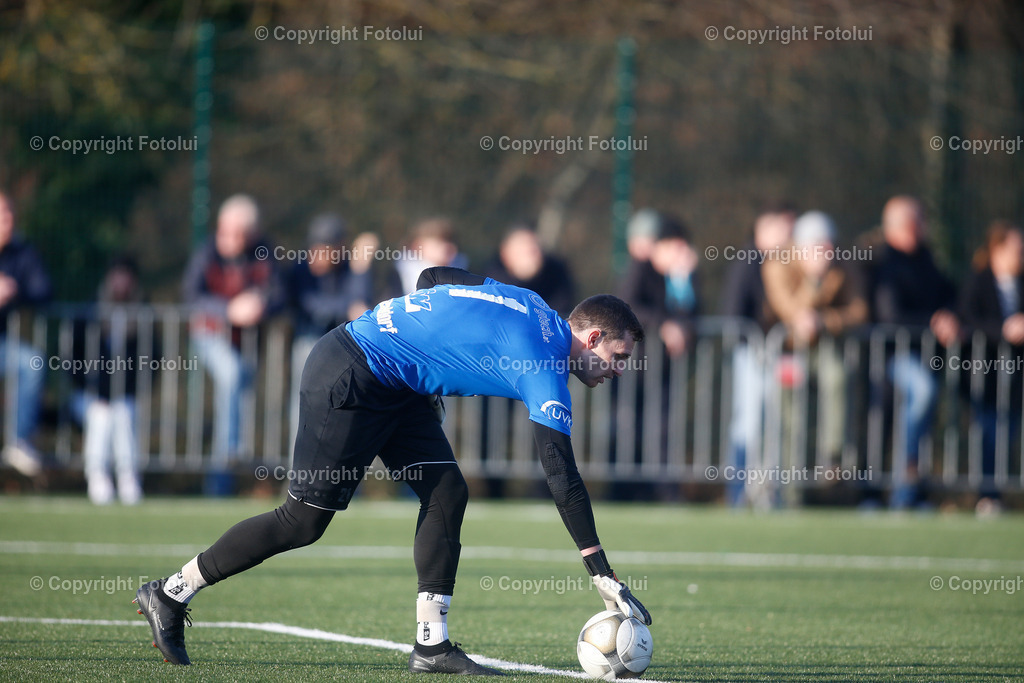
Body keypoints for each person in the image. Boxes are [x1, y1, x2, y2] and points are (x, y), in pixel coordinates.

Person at [134, 266, 652, 672]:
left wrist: (422, 355)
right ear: (591, 338)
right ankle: (169, 592)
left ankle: (432, 646)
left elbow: (433, 279)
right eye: (618, 355)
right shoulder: (544, 366)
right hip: (351, 372)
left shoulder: (534, 305)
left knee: (448, 491)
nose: (618, 369)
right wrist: (600, 571)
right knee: (302, 522)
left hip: (397, 385)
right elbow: (561, 474)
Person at [762, 211, 867, 500]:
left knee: (838, 376)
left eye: (829, 246)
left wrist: (824, 321)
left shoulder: (843, 264)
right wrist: (813, 280)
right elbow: (788, 309)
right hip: (787, 350)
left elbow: (858, 311)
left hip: (824, 345)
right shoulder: (777, 263)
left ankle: (833, 456)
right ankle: (791, 492)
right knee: (792, 419)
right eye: (819, 248)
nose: (827, 253)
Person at [182, 194, 283, 474]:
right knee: (231, 373)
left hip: (249, 341)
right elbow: (191, 295)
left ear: (252, 233)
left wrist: (260, 302)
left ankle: (223, 476)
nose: (229, 238)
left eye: (238, 233)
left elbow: (279, 292)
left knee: (240, 393)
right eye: (225, 230)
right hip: (209, 333)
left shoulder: (264, 251)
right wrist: (228, 310)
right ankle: (229, 452)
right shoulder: (206, 252)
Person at [870, 196, 960, 509]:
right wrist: (933, 322)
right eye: (916, 221)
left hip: (924, 354)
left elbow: (951, 294)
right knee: (921, 392)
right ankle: (889, 490)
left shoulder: (926, 258)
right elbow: (889, 315)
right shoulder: (882, 260)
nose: (922, 227)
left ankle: (910, 491)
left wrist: (949, 315)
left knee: (924, 412)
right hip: (889, 357)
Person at [719, 202, 796, 507]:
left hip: (771, 354)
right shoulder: (748, 260)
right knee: (748, 422)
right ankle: (737, 494)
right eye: (783, 228)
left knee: (772, 423)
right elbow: (734, 313)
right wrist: (757, 342)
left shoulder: (780, 262)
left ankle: (765, 493)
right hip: (751, 353)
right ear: (765, 227)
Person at [287, 214, 373, 447]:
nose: (317, 256)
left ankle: (345, 479)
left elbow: (361, 305)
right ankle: (298, 472)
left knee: (348, 410)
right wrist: (345, 306)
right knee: (304, 407)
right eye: (315, 248)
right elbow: (312, 304)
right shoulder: (300, 268)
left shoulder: (349, 269)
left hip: (345, 349)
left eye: (325, 249)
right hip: (310, 342)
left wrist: (360, 268)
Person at [958, 221, 1024, 517]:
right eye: (1016, 249)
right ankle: (987, 495)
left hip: (1016, 378)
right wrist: (1004, 330)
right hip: (984, 377)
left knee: (1009, 433)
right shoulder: (978, 282)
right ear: (997, 250)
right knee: (988, 433)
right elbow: (968, 320)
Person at [74, 257, 146, 505]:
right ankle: (97, 476)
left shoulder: (141, 315)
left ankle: (128, 477)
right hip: (89, 394)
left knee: (123, 413)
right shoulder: (90, 312)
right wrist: (93, 389)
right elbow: (72, 360)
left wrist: (127, 391)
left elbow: (151, 363)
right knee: (101, 415)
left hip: (125, 396)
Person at [0, 190, 53, 477]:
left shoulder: (21, 253)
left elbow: (44, 289)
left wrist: (15, 290)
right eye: (2, 214)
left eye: (10, 213)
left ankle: (18, 441)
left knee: (31, 362)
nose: (8, 220)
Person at [484, 225, 575, 316]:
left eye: (534, 245)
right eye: (523, 245)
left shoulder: (557, 280)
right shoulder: (489, 288)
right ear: (505, 253)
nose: (532, 251)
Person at [386, 217, 468, 299]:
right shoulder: (394, 278)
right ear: (417, 245)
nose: (447, 247)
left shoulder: (469, 274)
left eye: (450, 241)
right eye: (438, 242)